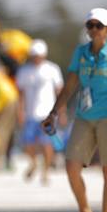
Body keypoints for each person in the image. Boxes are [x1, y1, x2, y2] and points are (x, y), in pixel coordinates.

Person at [43, 8, 107, 212]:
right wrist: (54, 112)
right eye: (90, 25)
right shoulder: (81, 52)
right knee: (71, 165)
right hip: (84, 116)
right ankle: (84, 210)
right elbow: (70, 85)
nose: (93, 30)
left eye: (98, 26)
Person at [16, 39, 64, 185]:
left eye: (39, 55)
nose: (36, 57)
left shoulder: (52, 69)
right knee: (28, 144)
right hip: (31, 113)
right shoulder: (24, 71)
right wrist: (20, 111)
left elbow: (59, 91)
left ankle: (46, 172)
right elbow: (21, 94)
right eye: (34, 55)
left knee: (46, 144)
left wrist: (61, 112)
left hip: (47, 113)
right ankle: (34, 163)